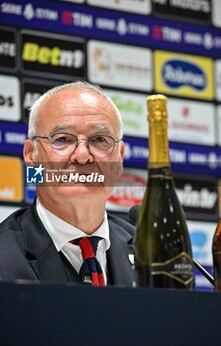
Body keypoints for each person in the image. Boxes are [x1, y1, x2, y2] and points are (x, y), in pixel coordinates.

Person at [0, 81, 135, 286]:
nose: (82, 156)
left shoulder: (154, 252)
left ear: (119, 158)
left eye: (99, 139)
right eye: (62, 140)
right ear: (31, 155)